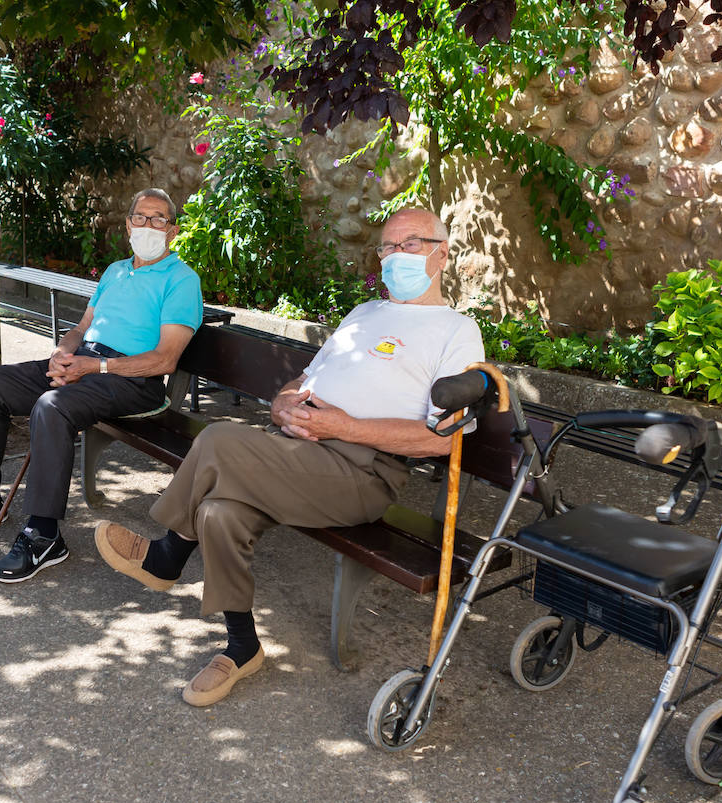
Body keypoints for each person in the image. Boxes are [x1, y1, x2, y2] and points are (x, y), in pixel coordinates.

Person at [94, 206, 484, 707]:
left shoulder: (456, 331)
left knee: (218, 440)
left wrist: (343, 426)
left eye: (410, 245)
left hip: (362, 472)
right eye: (387, 247)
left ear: (442, 254)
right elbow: (306, 379)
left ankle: (167, 555)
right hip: (299, 449)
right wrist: (282, 402)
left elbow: (444, 439)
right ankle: (242, 646)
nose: (395, 257)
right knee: (218, 511)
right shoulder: (365, 313)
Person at [0, 188, 204, 584]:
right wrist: (63, 352)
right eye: (140, 217)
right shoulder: (115, 271)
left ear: (172, 231)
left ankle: (44, 535)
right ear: (128, 225)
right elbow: (81, 328)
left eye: (158, 219)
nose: (148, 225)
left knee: (52, 406)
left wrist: (95, 366)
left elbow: (165, 359)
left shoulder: (181, 280)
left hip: (132, 379)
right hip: (87, 361)